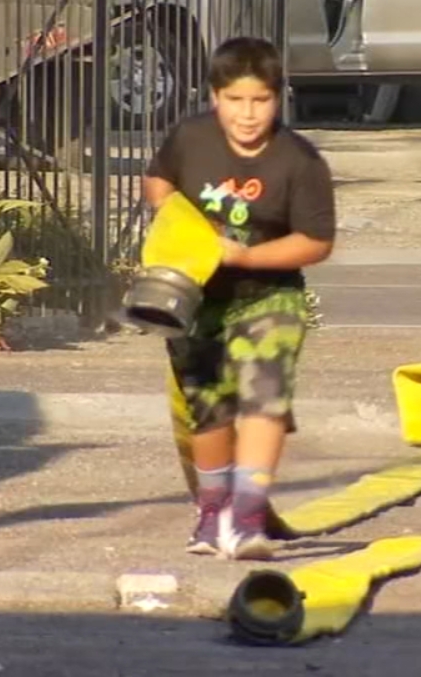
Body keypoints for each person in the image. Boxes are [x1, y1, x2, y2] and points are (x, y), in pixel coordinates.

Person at [141, 36, 337, 561]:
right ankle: (212, 514)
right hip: (197, 301)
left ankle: (248, 517)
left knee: (264, 396)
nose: (248, 114)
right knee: (210, 409)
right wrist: (181, 229)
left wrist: (244, 257)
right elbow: (159, 184)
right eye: (235, 100)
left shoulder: (300, 161)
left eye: (260, 101)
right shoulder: (191, 139)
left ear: (278, 98)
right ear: (214, 97)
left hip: (269, 298)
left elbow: (316, 242)